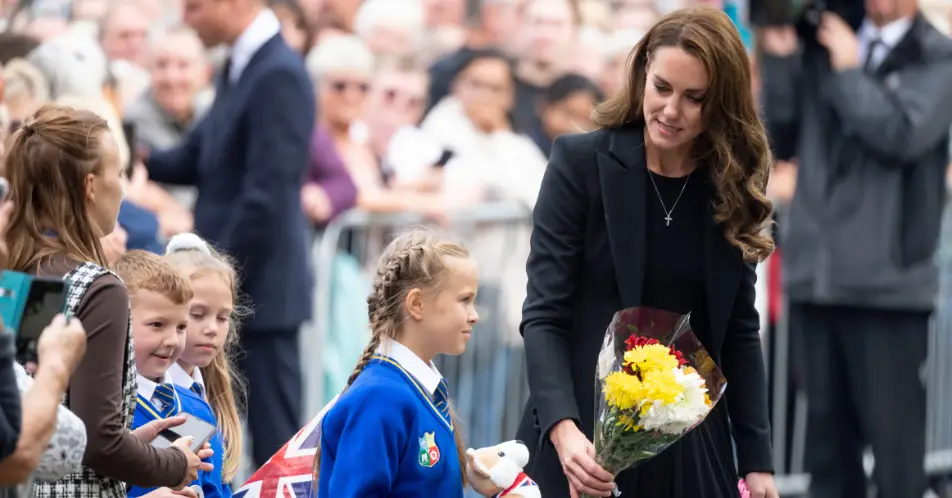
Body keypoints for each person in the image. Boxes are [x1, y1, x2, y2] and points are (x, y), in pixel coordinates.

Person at [515, 8, 779, 498]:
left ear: (721, 103)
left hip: (692, 451)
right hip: (580, 444)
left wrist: (758, 462)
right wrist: (564, 431)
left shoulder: (732, 184)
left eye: (694, 98)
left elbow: (739, 333)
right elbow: (544, 315)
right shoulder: (580, 164)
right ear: (641, 77)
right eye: (662, 88)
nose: (671, 110)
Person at [758, 0, 952, 492]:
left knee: (895, 454)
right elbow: (780, 135)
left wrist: (848, 71)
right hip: (817, 279)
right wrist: (781, 54)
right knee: (827, 451)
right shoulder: (825, 40)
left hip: (888, 287)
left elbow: (902, 134)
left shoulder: (935, 55)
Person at [2, 105, 206, 497]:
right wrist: (173, 463)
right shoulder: (100, 289)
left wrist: (135, 445)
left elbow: (58, 416)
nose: (124, 188)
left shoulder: (15, 274)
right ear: (91, 185)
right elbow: (98, 440)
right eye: (118, 173)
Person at [143, 0, 315, 466]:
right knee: (197, 429)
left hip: (260, 300)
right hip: (225, 296)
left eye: (195, 6)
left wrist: (215, 278)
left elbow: (269, 197)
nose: (187, 15)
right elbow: (200, 156)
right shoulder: (241, 66)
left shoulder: (278, 72)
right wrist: (127, 156)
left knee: (278, 449)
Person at [315, 229, 479, 497]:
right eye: (465, 300)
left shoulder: (418, 389)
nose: (475, 315)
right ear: (417, 303)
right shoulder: (379, 398)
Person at [114, 250, 220, 498]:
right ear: (117, 321)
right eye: (157, 325)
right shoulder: (99, 411)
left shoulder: (196, 408)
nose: (172, 340)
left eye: (181, 327)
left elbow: (214, 489)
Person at [164, 233, 246, 485]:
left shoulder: (203, 391)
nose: (212, 328)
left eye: (222, 318)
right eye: (197, 314)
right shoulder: (164, 398)